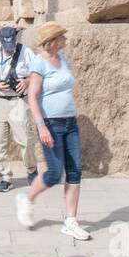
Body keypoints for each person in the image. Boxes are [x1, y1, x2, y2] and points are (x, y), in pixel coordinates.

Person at [15, 22, 90, 240]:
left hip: (70, 122)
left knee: (75, 171)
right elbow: (33, 96)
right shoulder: (39, 63)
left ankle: (70, 221)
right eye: (62, 37)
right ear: (54, 40)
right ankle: (27, 198)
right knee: (55, 172)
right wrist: (42, 126)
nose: (66, 40)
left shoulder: (63, 59)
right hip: (50, 124)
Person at [0, 25, 37, 193]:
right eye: (6, 47)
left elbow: (37, 72)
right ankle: (5, 177)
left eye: (11, 46)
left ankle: (32, 169)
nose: (9, 50)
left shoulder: (26, 52)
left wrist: (26, 81)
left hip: (18, 101)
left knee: (26, 139)